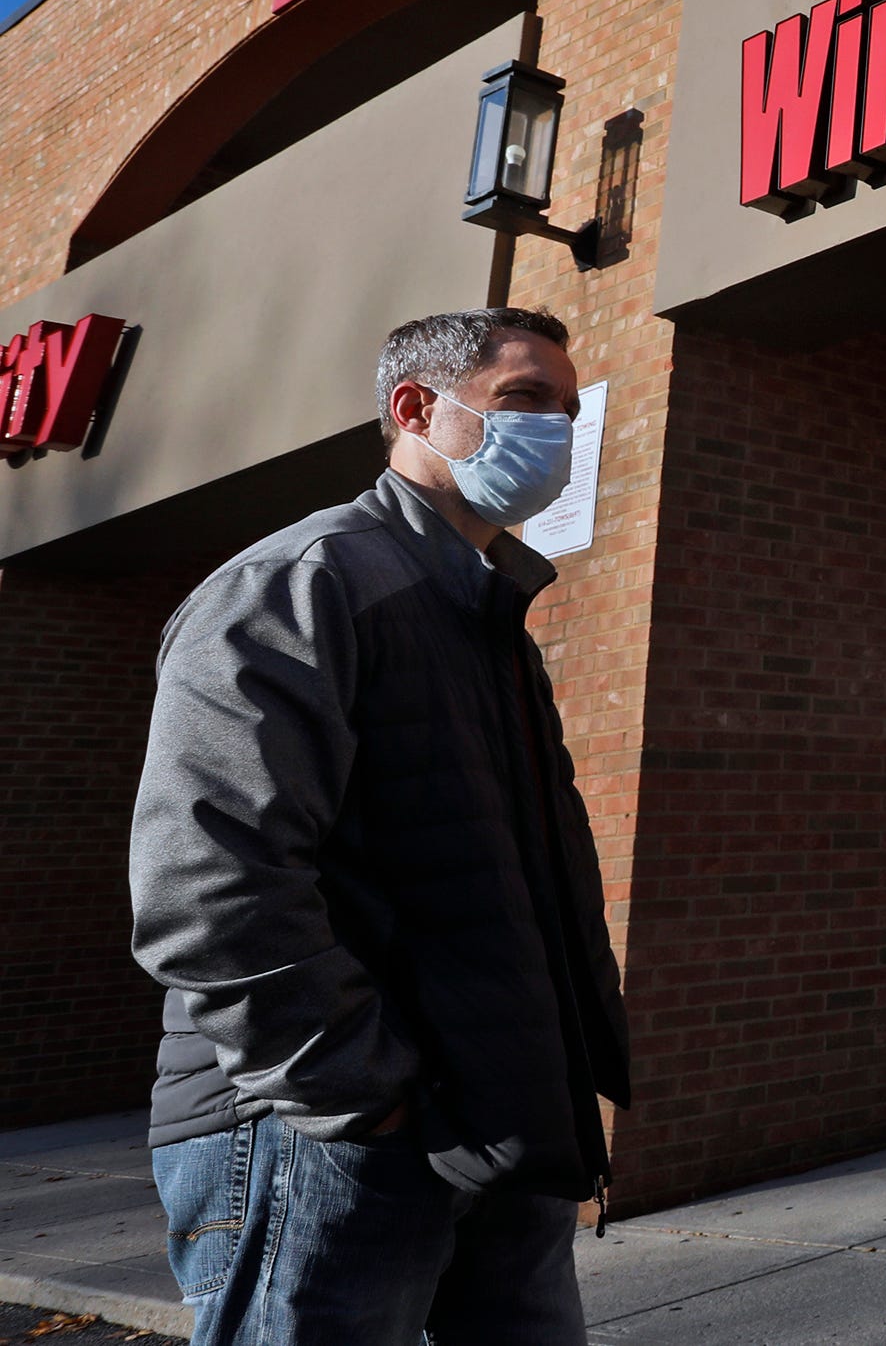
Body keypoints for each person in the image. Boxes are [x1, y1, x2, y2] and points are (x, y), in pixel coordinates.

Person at [130, 307, 630, 1346]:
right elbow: (206, 887)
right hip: (327, 1133)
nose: (557, 430)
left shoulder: (487, 616)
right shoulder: (301, 582)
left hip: (501, 1118)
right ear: (415, 407)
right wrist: (364, 1093)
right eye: (526, 399)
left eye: (568, 409)